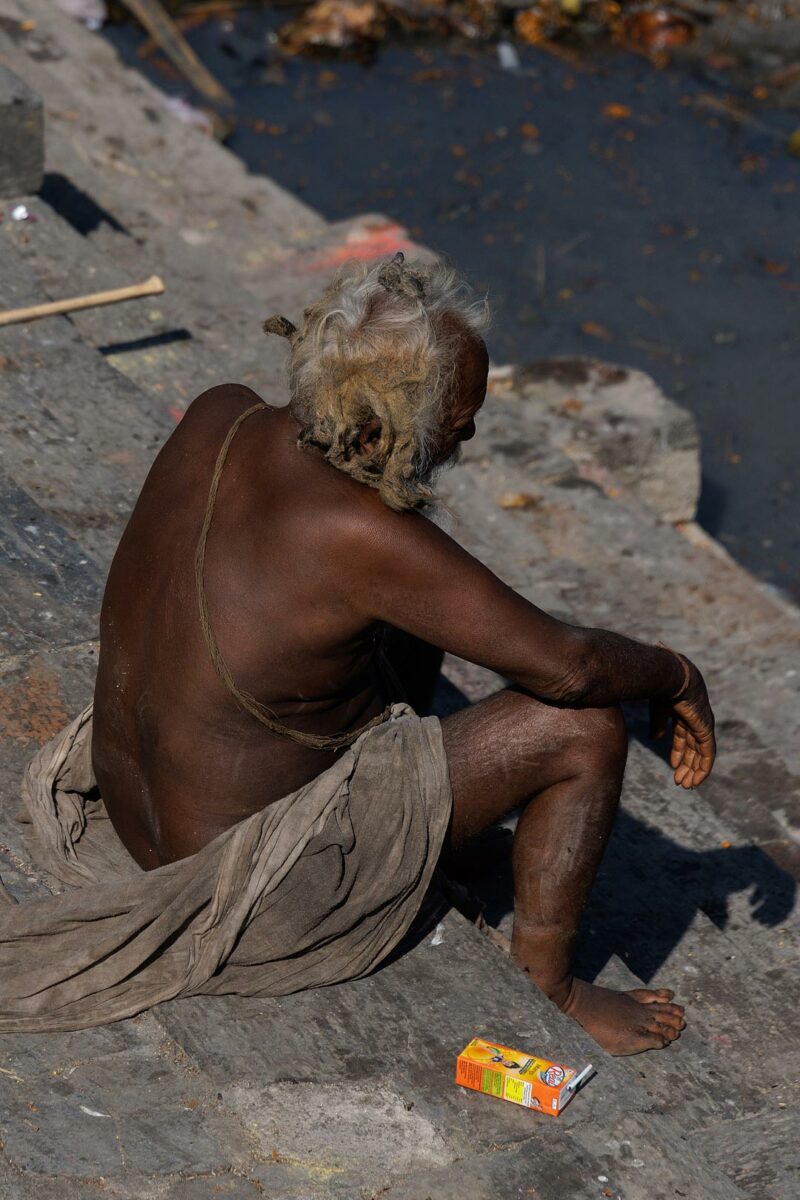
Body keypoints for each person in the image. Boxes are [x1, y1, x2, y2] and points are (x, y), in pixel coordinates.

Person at [88, 252, 715, 1054]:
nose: (471, 432)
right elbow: (569, 665)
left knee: (426, 617)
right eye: (458, 421)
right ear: (388, 423)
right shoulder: (361, 538)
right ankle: (548, 986)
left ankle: (444, 848)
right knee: (583, 725)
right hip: (242, 895)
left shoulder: (221, 413)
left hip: (139, 818)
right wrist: (676, 674)